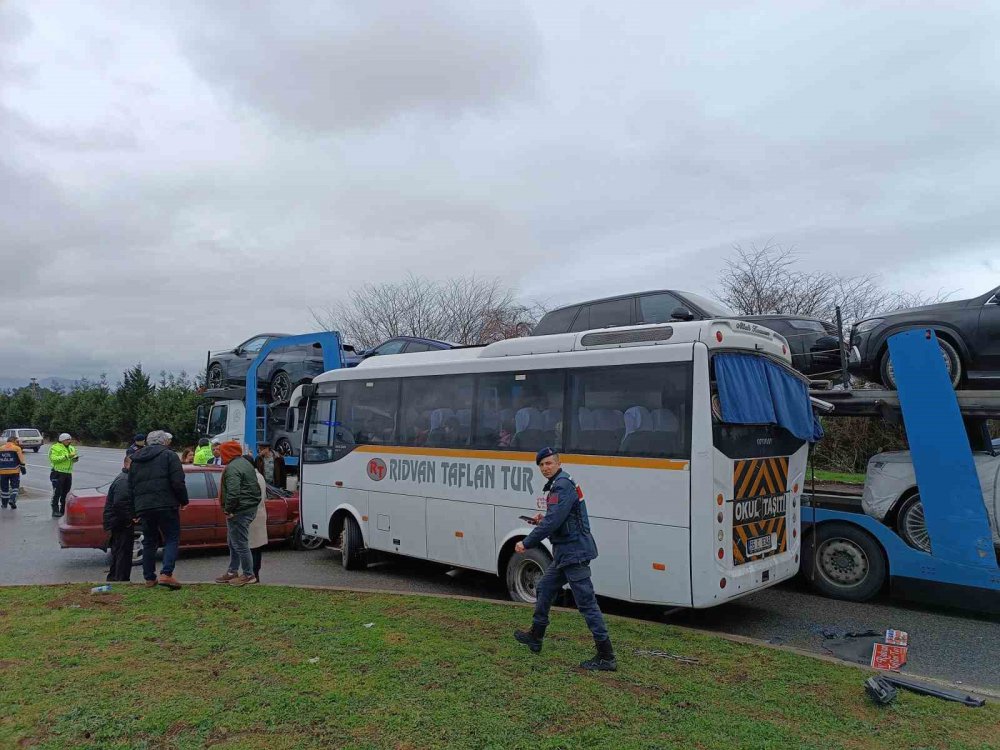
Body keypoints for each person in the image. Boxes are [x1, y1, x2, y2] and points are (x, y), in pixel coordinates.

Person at [513, 447, 616, 671]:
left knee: (587, 604)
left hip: (574, 553)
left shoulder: (562, 485)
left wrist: (526, 542)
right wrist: (542, 519)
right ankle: (536, 636)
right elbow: (558, 518)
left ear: (559, 463)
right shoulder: (560, 483)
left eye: (549, 463)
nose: (545, 468)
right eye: (541, 465)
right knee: (544, 587)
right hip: (565, 553)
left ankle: (606, 656)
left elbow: (554, 522)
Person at [129, 430, 189, 589]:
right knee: (171, 538)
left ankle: (149, 578)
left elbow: (131, 486)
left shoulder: (136, 459)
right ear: (165, 442)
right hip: (166, 504)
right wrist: (183, 500)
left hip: (144, 506)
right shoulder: (170, 455)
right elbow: (178, 482)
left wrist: (134, 510)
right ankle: (166, 574)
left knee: (149, 541)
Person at [215, 441, 261, 586]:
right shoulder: (245, 463)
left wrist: (228, 509)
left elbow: (233, 492)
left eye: (222, 452)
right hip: (248, 507)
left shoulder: (232, 468)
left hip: (239, 510)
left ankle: (248, 574)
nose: (220, 455)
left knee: (240, 543)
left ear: (228, 453)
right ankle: (232, 571)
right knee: (233, 541)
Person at [103, 455, 135, 582]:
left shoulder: (126, 478)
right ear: (127, 464)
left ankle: (115, 577)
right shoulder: (124, 481)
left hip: (118, 521)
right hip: (120, 522)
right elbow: (120, 503)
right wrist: (129, 519)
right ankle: (121, 579)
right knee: (123, 552)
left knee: (119, 551)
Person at [48, 433, 79, 517]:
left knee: (66, 493)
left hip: (68, 473)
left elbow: (73, 459)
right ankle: (55, 510)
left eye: (70, 439)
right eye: (67, 440)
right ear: (62, 440)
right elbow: (54, 459)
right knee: (57, 492)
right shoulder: (55, 447)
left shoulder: (71, 448)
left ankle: (63, 510)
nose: (69, 441)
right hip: (58, 472)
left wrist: (75, 458)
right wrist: (67, 456)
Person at [249, 465, 269, 582]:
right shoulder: (260, 476)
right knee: (256, 547)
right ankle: (255, 574)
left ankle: (253, 574)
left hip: (253, 515)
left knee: (252, 547)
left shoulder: (252, 477)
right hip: (260, 514)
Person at [0, 434, 26, 509]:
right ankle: (12, 499)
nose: (17, 443)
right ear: (13, 441)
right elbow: (21, 460)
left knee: (4, 489)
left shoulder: (1, 448)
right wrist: (23, 469)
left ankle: (4, 504)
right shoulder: (17, 448)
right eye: (16, 441)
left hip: (2, 472)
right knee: (15, 487)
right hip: (14, 471)